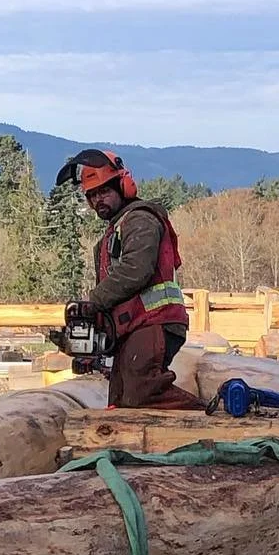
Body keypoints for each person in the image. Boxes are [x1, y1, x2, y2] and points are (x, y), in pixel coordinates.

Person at [55, 150, 205, 410]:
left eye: (103, 192)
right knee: (120, 401)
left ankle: (209, 420)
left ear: (122, 186)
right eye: (92, 195)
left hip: (156, 321)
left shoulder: (140, 220)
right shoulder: (113, 232)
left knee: (141, 391)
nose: (98, 200)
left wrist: (95, 302)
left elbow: (136, 269)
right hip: (134, 326)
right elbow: (120, 298)